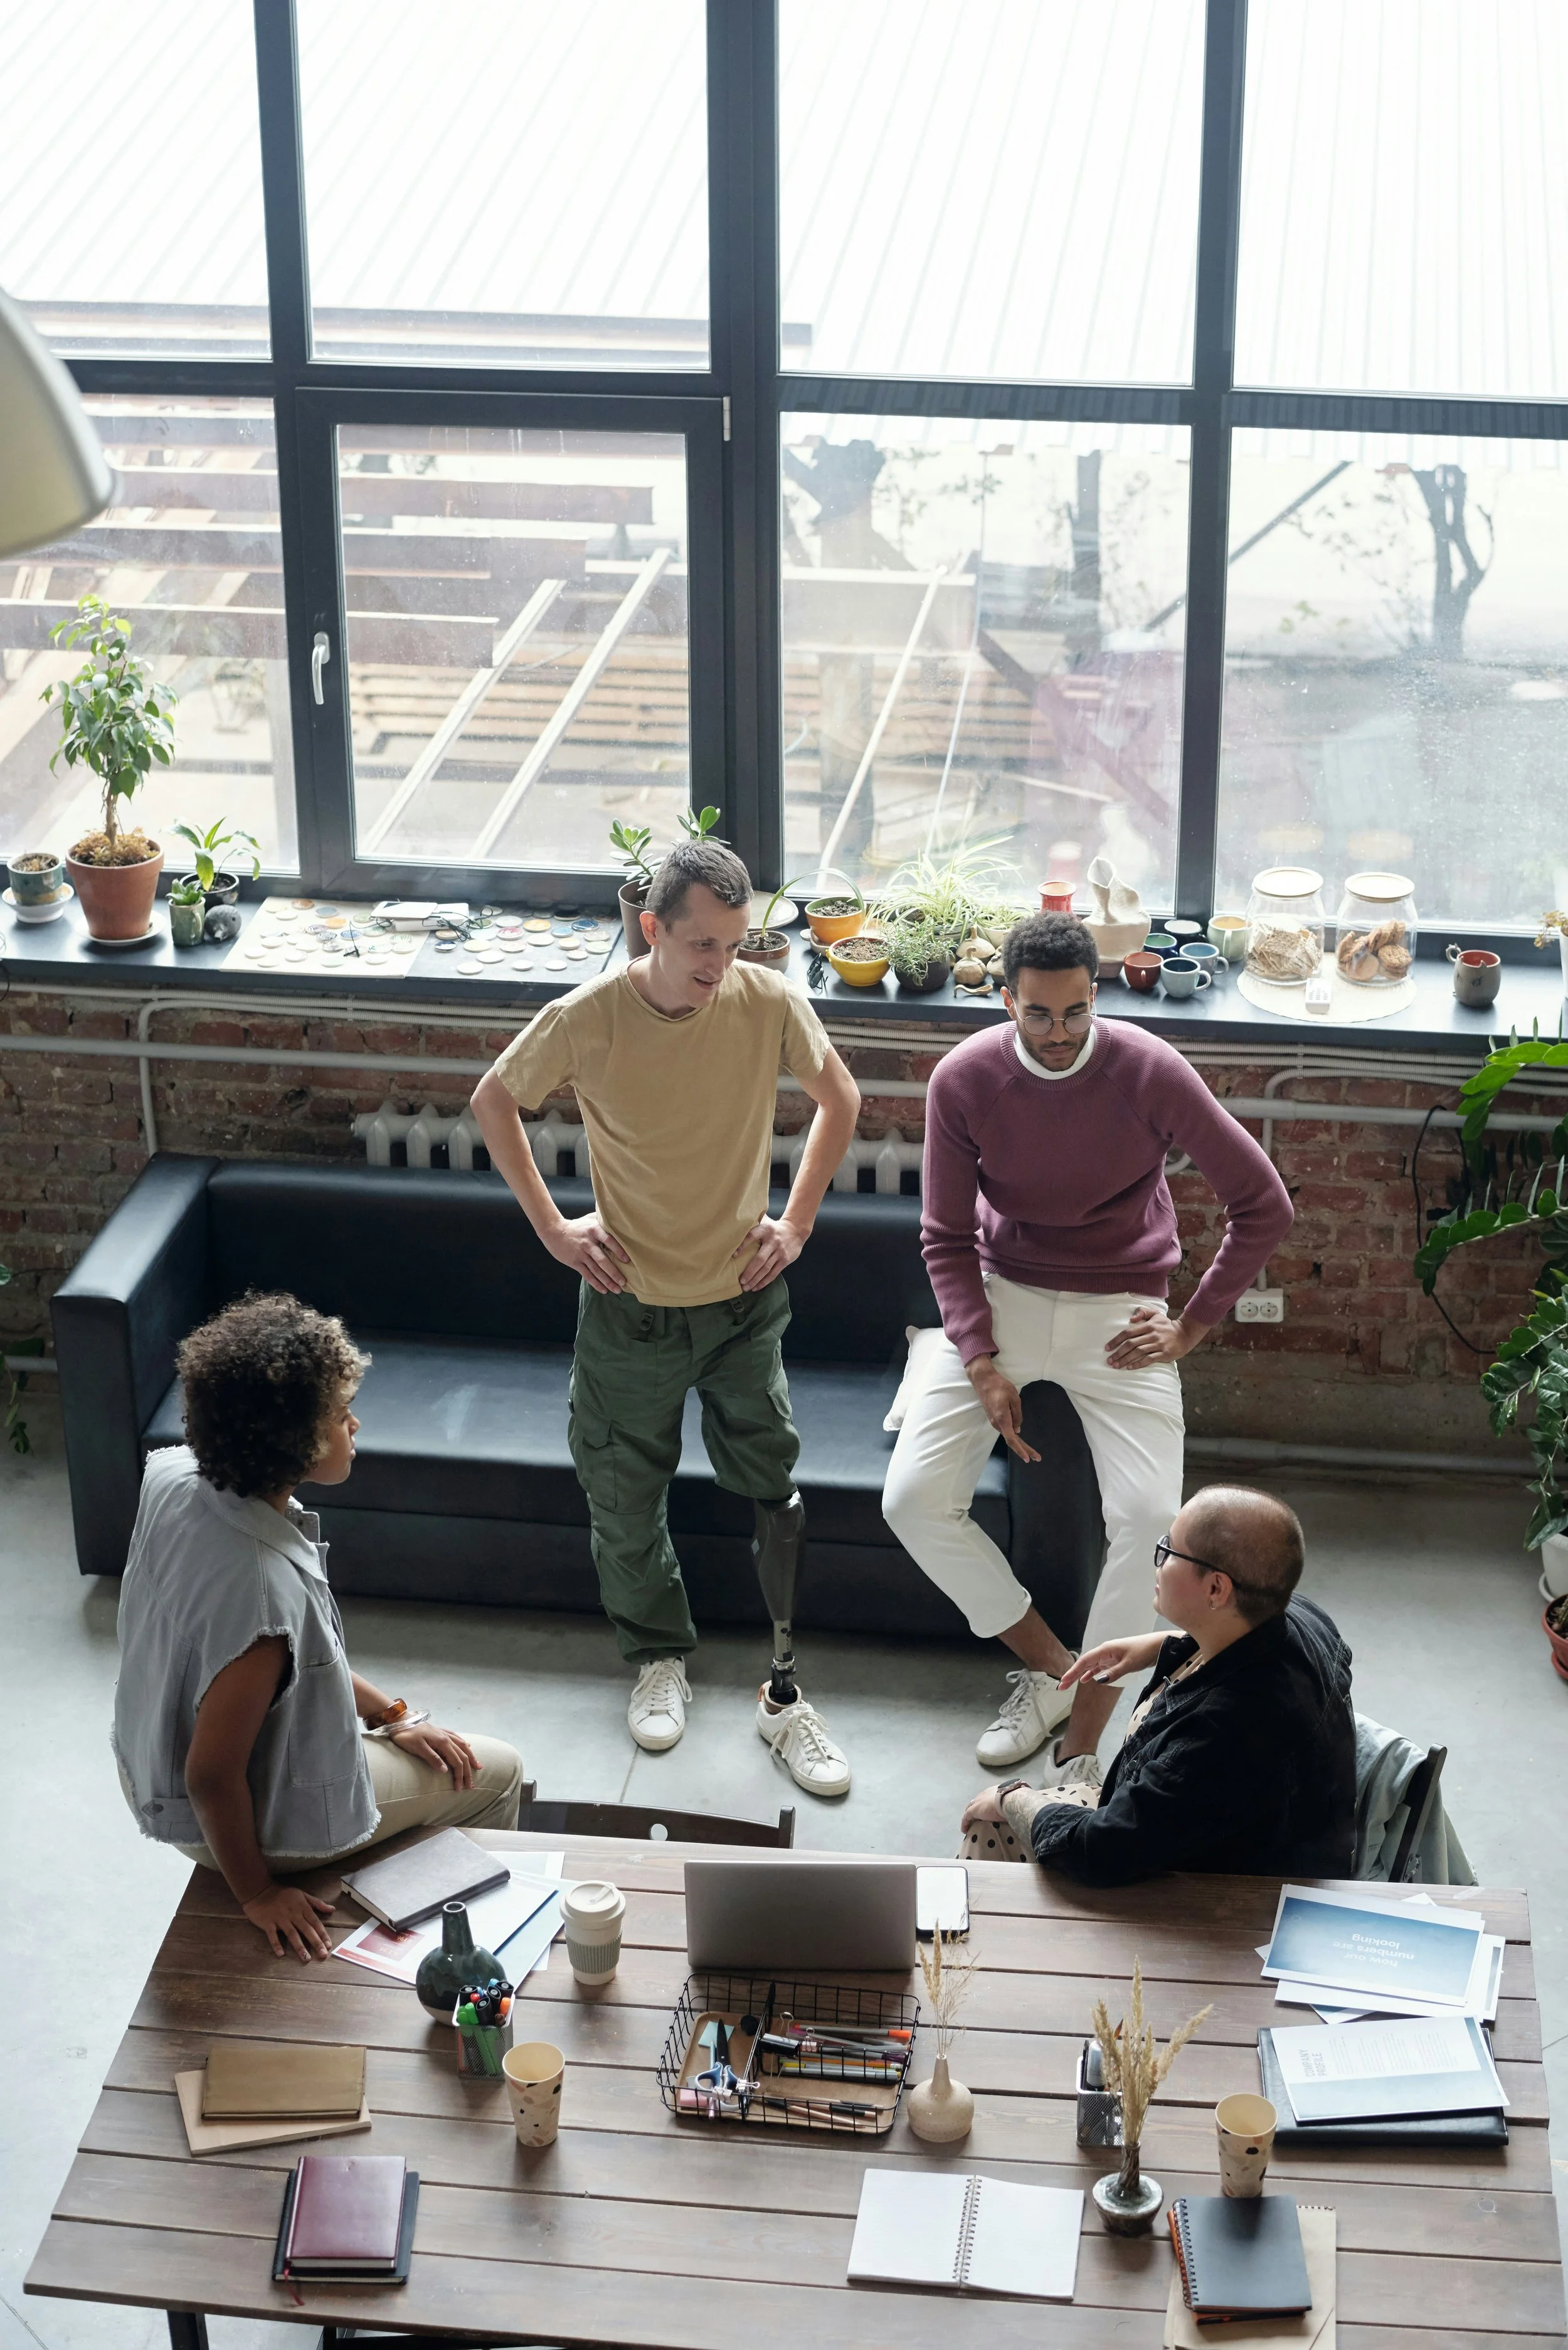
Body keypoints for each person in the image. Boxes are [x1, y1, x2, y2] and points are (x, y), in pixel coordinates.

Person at [470, 837, 862, 1794]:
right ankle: (657, 1657)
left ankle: (782, 1686)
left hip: (742, 1303)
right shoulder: (589, 1016)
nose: (718, 966)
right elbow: (493, 1101)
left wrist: (797, 1223)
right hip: (629, 1308)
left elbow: (839, 1098)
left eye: (733, 944)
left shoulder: (767, 1001)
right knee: (623, 1494)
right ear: (651, 928)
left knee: (772, 1480)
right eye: (700, 946)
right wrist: (556, 1230)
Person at [884, 912, 1294, 1786]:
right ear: (1007, 1002)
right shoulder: (965, 1079)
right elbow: (946, 1238)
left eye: (1074, 1012)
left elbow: (1264, 1204)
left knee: (1153, 1524)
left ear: (1094, 997)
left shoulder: (1147, 1068)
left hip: (1123, 1307)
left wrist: (1192, 1323)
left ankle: (1080, 1752)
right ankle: (1051, 1672)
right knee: (913, 1499)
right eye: (1038, 1013)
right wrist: (981, 1358)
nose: (1059, 1033)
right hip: (1004, 1294)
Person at [113, 1294, 524, 1964]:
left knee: (429, 1750)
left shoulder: (172, 1473)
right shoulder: (263, 1599)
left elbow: (311, 1665)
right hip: (229, 1823)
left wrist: (393, 1713)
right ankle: (453, 1954)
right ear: (293, 1438)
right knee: (497, 1771)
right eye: (339, 1414)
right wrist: (258, 1893)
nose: (355, 1423)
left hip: (143, 1767)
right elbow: (213, 1776)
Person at [958, 1486, 1355, 1885]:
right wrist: (1163, 1645)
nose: (1159, 1560)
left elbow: (1100, 1850)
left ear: (1216, 1588)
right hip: (1259, 1839)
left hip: (1223, 1897)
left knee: (988, 1826)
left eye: (1170, 1551)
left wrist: (1012, 1797)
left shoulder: (1220, 1733)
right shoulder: (1300, 1617)